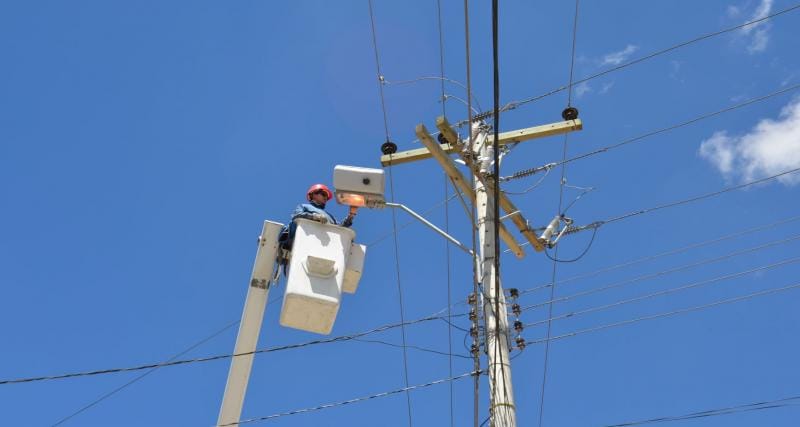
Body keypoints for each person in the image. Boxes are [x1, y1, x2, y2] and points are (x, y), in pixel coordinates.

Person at [279, 183, 354, 252]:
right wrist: (314, 216)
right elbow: (296, 216)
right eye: (324, 194)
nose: (325, 198)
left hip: (324, 246)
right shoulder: (304, 206)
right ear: (313, 194)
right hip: (304, 240)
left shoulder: (330, 216)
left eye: (327, 197)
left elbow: (339, 228)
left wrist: (350, 216)